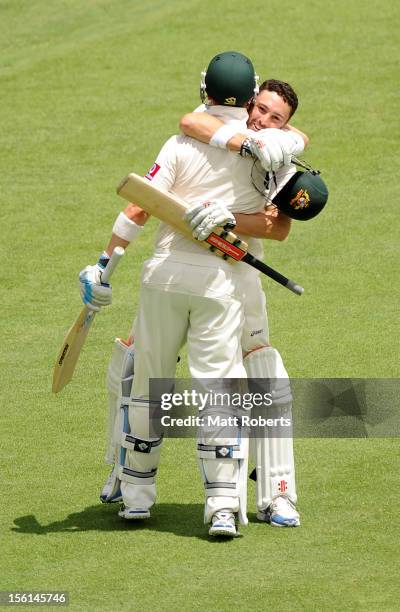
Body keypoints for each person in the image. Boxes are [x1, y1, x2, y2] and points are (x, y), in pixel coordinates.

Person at [79, 51, 305, 538]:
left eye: (276, 116)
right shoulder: (202, 132)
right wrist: (104, 266)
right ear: (248, 101)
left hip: (232, 272)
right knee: (142, 364)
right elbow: (195, 124)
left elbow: (279, 224)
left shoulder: (276, 151)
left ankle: (276, 488)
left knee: (260, 367)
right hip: (204, 277)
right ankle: (132, 479)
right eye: (259, 108)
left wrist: (224, 214)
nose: (265, 119)